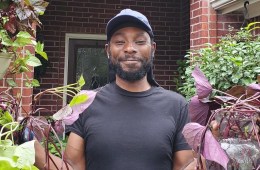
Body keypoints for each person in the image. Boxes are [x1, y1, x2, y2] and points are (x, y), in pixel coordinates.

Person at [34, 9, 196, 170]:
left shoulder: (176, 105)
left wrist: (213, 146)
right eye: (119, 42)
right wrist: (29, 146)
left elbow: (185, 166)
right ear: (107, 51)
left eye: (140, 42)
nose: (130, 48)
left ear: (153, 49)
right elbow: (72, 167)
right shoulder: (85, 103)